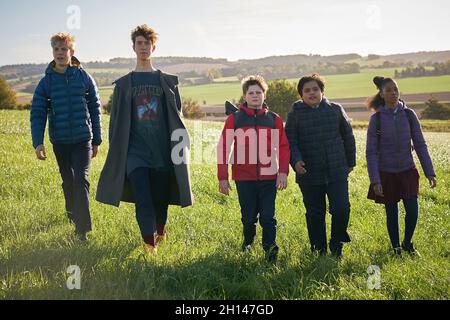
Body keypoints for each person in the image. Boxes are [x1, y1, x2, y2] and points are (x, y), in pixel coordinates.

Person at [96, 25, 193, 255]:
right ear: (133, 47)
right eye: (139, 43)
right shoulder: (124, 84)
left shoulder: (166, 82)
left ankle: (160, 229)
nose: (143, 47)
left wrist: (178, 148)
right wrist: (119, 152)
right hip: (135, 152)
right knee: (143, 198)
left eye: (146, 43)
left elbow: (177, 117)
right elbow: (117, 121)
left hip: (161, 151)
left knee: (160, 199)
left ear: (153, 47)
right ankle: (149, 245)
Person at [30, 32, 102, 241]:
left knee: (81, 180)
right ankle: (72, 214)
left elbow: (95, 108)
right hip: (60, 142)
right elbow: (37, 113)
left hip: (82, 140)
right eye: (57, 49)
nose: (60, 53)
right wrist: (38, 142)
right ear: (53, 52)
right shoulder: (46, 83)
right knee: (68, 182)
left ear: (72, 52)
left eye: (64, 49)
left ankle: (82, 231)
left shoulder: (84, 78)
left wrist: (96, 139)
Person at [217, 75, 290, 263]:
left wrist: (283, 172)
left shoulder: (274, 119)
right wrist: (222, 177)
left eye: (259, 92)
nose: (255, 95)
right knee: (249, 218)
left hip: (268, 177)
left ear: (264, 95)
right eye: (251, 92)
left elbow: (283, 147)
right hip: (244, 178)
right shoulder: (235, 119)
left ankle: (270, 251)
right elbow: (224, 147)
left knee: (268, 216)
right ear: (245, 96)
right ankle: (248, 242)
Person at [285, 74, 356, 259]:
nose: (312, 93)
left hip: (337, 170)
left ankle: (337, 244)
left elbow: (348, 136)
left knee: (341, 208)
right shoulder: (295, 113)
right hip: (309, 173)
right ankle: (319, 250)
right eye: (307, 90)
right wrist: (296, 161)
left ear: (322, 91)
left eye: (315, 89)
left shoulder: (335, 110)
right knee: (315, 213)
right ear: (301, 95)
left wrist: (350, 162)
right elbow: (290, 141)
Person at [366, 76, 436, 257]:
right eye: (388, 90)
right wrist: (375, 180)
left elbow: (420, 144)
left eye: (396, 89)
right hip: (386, 173)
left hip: (407, 170)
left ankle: (407, 243)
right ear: (381, 94)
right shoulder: (377, 119)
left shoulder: (409, 115)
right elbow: (371, 152)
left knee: (412, 210)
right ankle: (396, 247)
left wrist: (429, 172)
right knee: (392, 212)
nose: (393, 93)